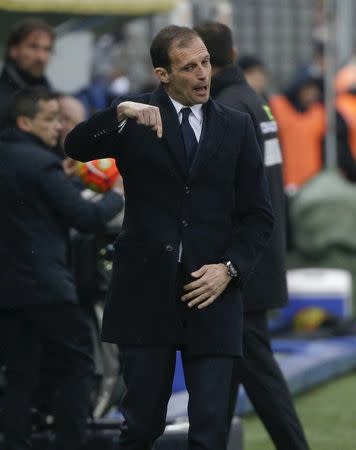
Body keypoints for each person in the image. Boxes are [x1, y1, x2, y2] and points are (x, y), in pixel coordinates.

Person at [65, 25, 274, 450]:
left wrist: (230, 269)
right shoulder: (134, 117)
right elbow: (75, 145)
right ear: (163, 74)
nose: (202, 75)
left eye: (205, 63)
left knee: (211, 431)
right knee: (141, 427)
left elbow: (258, 216)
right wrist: (118, 113)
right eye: (189, 67)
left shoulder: (236, 126)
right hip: (146, 296)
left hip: (213, 295)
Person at [194, 22, 310, 450]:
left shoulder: (229, 108)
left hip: (240, 265)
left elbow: (222, 192)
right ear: (236, 52)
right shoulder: (253, 101)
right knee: (225, 372)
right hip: (259, 255)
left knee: (257, 373)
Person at [0, 87, 124, 450]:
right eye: (50, 119)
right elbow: (85, 217)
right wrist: (117, 193)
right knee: (77, 365)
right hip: (48, 287)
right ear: (25, 121)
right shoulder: (42, 163)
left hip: (8, 291)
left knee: (19, 374)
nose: (58, 127)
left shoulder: (10, 157)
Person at [0, 18, 54, 129]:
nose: (41, 57)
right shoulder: (4, 98)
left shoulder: (48, 92)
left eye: (47, 49)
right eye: (33, 47)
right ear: (13, 50)